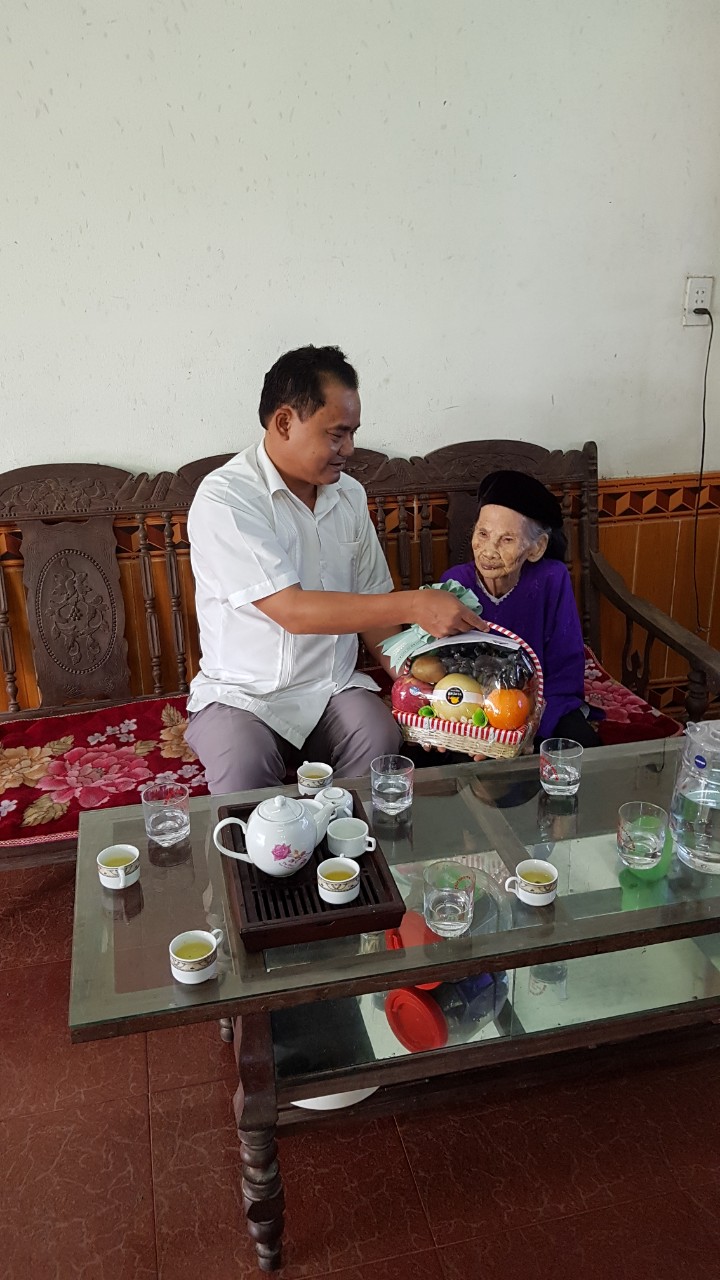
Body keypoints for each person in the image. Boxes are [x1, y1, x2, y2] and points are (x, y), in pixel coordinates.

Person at [185, 345, 481, 793]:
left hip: (331, 689)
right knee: (243, 770)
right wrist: (417, 604)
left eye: (353, 433)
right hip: (243, 696)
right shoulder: (226, 498)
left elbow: (377, 614)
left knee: (380, 739)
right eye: (337, 434)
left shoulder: (350, 496)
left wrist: (426, 696)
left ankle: (346, 836)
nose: (350, 449)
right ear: (284, 422)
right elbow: (292, 610)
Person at [440, 469, 598, 747]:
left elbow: (565, 661)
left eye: (507, 540)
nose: (489, 550)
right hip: (473, 712)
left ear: (537, 548)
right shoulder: (455, 584)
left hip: (543, 704)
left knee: (582, 748)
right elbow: (446, 666)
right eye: (483, 533)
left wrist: (533, 723)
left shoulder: (551, 579)